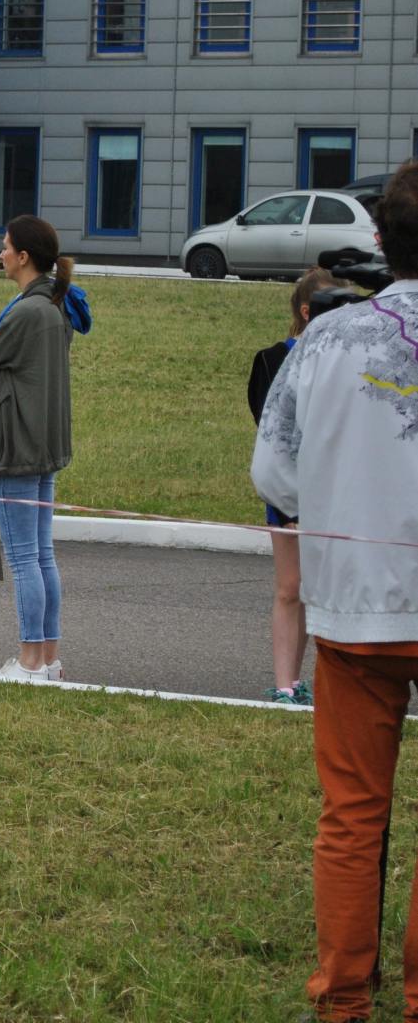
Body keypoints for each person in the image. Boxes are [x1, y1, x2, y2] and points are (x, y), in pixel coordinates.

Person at [253, 159, 418, 1023]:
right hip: (361, 603)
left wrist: (336, 503)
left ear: (380, 241)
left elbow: (272, 468)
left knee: (352, 814)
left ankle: (343, 998)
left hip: (354, 606)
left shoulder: (325, 338)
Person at [0, 214, 74, 683]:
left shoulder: (26, 311)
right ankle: (49, 659)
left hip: (17, 445)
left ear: (25, 257)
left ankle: (29, 663)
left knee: (24, 558)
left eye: (7, 246)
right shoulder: (55, 306)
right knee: (42, 554)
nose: (2, 253)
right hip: (46, 442)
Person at [247, 265, 345, 705]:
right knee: (291, 587)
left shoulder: (343, 357)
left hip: (336, 488)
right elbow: (271, 435)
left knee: (325, 591)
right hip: (290, 490)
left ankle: (319, 683)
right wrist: (289, 504)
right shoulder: (272, 360)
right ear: (307, 311)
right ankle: (285, 685)